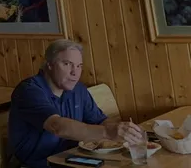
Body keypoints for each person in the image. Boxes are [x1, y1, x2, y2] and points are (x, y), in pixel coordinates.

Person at [8, 39, 144, 168]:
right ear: (49, 64)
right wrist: (109, 132)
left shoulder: (78, 89)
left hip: (74, 159)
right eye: (67, 64)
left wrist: (125, 130)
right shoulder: (29, 90)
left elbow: (101, 121)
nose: (75, 72)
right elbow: (57, 126)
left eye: (79, 66)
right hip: (37, 164)